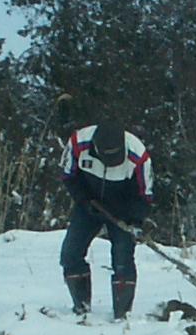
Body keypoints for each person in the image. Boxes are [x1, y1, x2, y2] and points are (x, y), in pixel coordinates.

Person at [59, 118, 154, 318]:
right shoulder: (78, 143)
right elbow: (68, 176)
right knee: (70, 253)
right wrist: (84, 200)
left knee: (123, 258)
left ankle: (122, 315)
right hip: (89, 203)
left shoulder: (139, 156)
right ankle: (81, 308)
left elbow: (145, 196)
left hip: (123, 209)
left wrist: (134, 218)